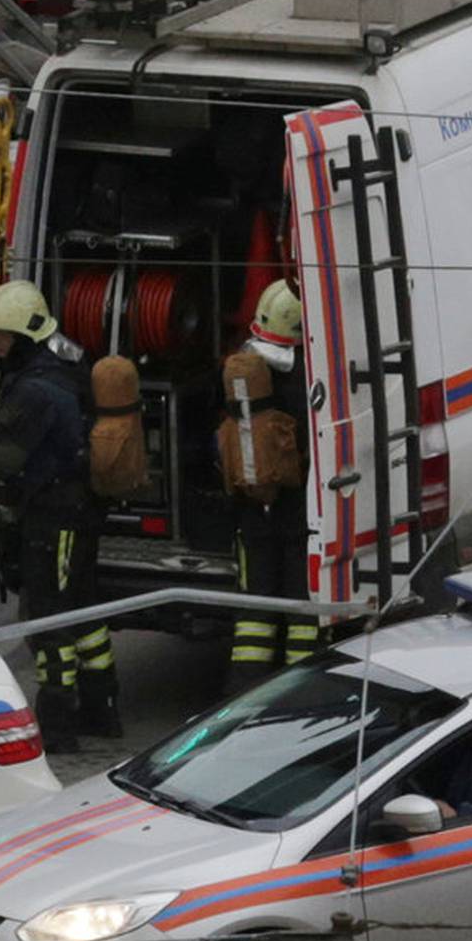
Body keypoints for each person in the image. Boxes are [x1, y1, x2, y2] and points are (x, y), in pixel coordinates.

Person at [0, 279, 117, 748]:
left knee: (49, 613)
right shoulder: (69, 358)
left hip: (53, 515)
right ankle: (102, 709)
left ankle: (58, 724)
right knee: (84, 609)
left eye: (0, 334)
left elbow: (0, 463)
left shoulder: (34, 391)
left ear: (22, 335)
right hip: (80, 509)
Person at [220, 279, 318, 675]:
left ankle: (244, 688)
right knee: (301, 606)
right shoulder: (304, 381)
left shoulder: (243, 372)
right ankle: (301, 683)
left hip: (251, 509)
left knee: (255, 608)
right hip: (297, 509)